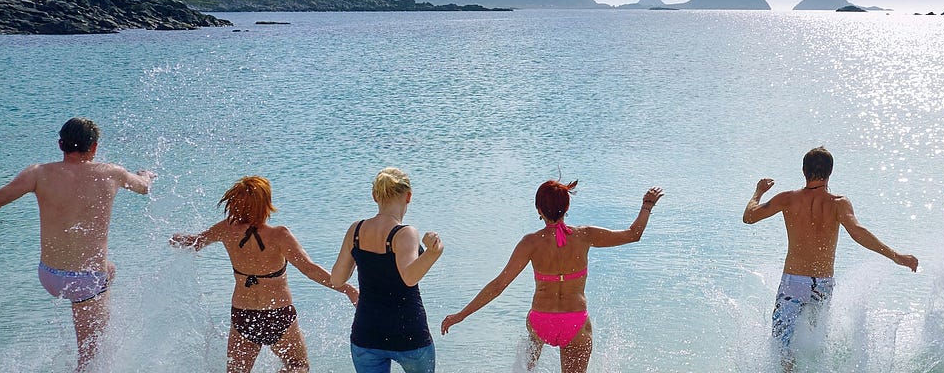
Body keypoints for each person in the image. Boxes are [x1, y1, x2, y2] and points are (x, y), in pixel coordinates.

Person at [0, 117, 155, 371]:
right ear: (94, 147)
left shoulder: (38, 173)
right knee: (90, 361)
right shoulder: (112, 173)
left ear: (60, 144)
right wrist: (145, 175)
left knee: (110, 270)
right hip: (86, 282)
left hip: (50, 277)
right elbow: (143, 188)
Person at [440, 180, 663, 373]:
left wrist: (461, 315)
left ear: (539, 209)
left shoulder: (530, 242)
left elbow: (498, 285)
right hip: (575, 324)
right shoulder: (584, 235)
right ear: (567, 207)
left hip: (540, 322)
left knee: (527, 354)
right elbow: (633, 234)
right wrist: (646, 206)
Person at [743, 146, 920, 370]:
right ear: (831, 172)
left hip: (793, 283)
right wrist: (896, 256)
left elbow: (749, 217)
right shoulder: (839, 203)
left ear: (803, 170)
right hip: (823, 285)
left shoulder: (787, 199)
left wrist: (759, 192)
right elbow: (858, 232)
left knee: (782, 344)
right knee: (816, 341)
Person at [170, 176, 361, 373]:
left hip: (243, 316)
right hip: (277, 315)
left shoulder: (226, 229)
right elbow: (310, 269)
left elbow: (195, 243)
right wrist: (347, 289)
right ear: (265, 204)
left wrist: (177, 239)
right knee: (298, 366)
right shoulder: (280, 235)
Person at [329, 168, 444, 373]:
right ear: (408, 196)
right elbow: (409, 277)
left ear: (375, 196)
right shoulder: (406, 233)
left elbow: (337, 279)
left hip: (366, 334)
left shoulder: (356, 230)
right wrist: (432, 254)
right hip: (409, 335)